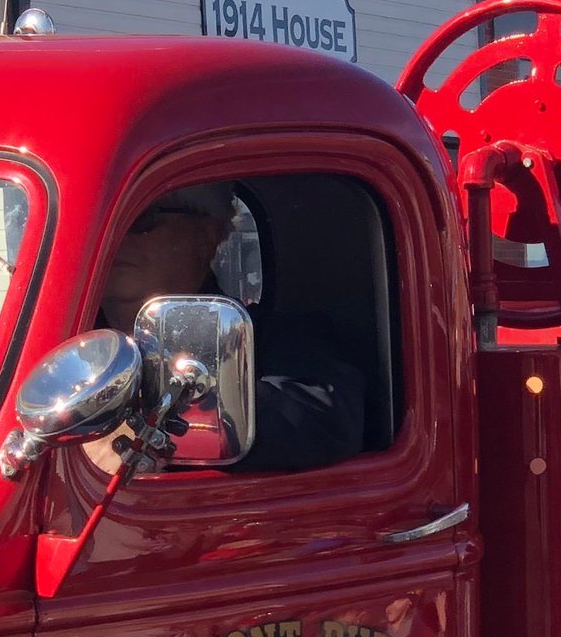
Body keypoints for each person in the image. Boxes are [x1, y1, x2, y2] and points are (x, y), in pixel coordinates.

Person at [97, 182, 366, 472]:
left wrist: (148, 424)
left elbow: (322, 420)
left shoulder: (276, 339)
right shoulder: (54, 337)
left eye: (140, 219)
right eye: (101, 222)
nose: (115, 236)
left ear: (206, 235)